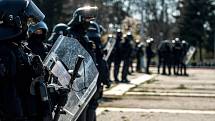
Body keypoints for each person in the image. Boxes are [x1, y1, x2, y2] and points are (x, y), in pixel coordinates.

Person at [0, 0, 52, 120]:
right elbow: (9, 93)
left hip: (28, 113)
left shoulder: (18, 47)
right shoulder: (4, 52)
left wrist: (41, 73)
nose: (28, 25)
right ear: (14, 21)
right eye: (26, 21)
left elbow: (24, 82)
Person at [67, 6, 98, 121]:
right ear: (79, 19)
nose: (90, 22)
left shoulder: (83, 34)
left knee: (85, 108)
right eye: (88, 18)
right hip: (75, 79)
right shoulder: (72, 33)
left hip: (85, 78)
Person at [86, 21, 110, 121]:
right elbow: (102, 64)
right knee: (92, 106)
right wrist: (106, 81)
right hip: (94, 81)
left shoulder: (83, 41)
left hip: (85, 82)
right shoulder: (97, 46)